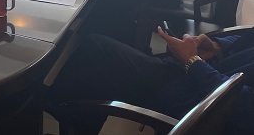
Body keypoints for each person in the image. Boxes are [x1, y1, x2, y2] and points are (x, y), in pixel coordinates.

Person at [47, 27, 254, 134]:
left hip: (201, 103)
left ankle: (51, 107)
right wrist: (217, 46)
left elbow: (242, 109)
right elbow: (247, 38)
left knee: (96, 50)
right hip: (199, 75)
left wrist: (193, 61)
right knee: (98, 63)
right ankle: (66, 113)